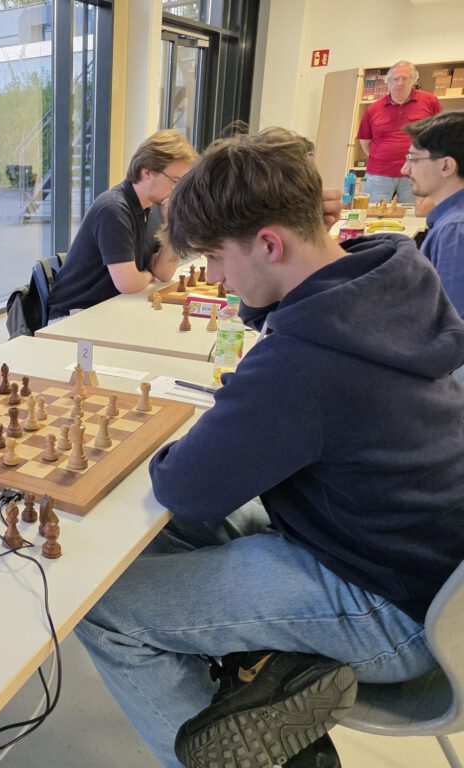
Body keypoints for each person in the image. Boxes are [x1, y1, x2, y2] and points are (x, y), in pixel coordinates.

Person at [74, 128, 464, 768]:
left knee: (102, 606)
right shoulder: (388, 279)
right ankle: (255, 689)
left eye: (215, 258)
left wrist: (199, 434)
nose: (215, 278)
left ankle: (220, 752)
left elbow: (185, 485)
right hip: (424, 570)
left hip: (396, 612)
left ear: (269, 244)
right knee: (160, 536)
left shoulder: (304, 363)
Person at [46, 130, 198, 319]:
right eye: (176, 181)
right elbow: (128, 284)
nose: (178, 190)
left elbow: (163, 273)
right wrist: (148, 274)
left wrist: (172, 224)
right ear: (147, 172)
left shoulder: (156, 207)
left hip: (111, 307)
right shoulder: (113, 209)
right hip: (74, 315)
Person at [402, 110, 464, 315]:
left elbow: (452, 320)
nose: (404, 170)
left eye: (413, 159)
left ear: (446, 166)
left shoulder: (454, 231)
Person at [357, 60, 441, 206]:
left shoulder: (430, 102)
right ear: (388, 82)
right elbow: (365, 141)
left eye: (405, 78)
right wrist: (383, 158)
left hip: (416, 173)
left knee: (412, 215)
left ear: (414, 81)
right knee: (372, 213)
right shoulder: (373, 109)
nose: (399, 83)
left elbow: (438, 134)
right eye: (395, 79)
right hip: (378, 174)